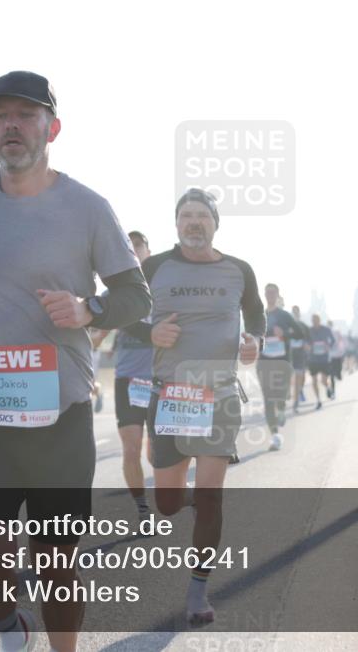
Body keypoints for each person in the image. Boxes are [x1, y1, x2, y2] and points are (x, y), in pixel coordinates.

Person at [0, 71, 151, 652]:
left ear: (52, 127)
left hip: (61, 413)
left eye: (24, 115)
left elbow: (135, 297)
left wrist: (88, 308)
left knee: (55, 563)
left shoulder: (88, 207)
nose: (10, 127)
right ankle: (10, 630)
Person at [129, 187, 265, 626]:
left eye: (201, 214)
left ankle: (197, 590)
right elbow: (123, 314)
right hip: (169, 395)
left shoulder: (239, 269)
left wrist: (254, 342)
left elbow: (256, 315)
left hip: (220, 395)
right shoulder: (154, 267)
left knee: (210, 496)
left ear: (215, 222)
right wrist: (148, 333)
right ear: (176, 224)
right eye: (186, 214)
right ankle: (187, 502)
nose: (193, 221)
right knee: (168, 503)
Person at [101, 231, 155, 525]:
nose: (133, 250)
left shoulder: (165, 287)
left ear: (148, 250)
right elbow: (94, 331)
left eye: (138, 245)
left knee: (157, 453)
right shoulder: (117, 291)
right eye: (128, 246)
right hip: (128, 379)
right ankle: (143, 508)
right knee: (131, 447)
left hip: (161, 380)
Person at [256, 284, 301, 450]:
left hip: (282, 363)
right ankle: (275, 436)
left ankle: (282, 409)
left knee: (280, 396)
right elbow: (251, 335)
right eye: (267, 293)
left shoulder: (284, 316)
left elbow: (299, 333)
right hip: (264, 363)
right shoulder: (259, 315)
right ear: (264, 295)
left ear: (277, 295)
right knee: (268, 399)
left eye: (273, 293)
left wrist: (284, 334)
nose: (270, 295)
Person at [306, 314, 334, 410]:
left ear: (319, 320)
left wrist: (328, 346)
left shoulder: (326, 330)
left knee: (323, 380)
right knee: (314, 381)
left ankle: (328, 388)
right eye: (313, 320)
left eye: (316, 320)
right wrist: (308, 346)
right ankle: (318, 400)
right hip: (313, 359)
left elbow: (333, 341)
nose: (314, 322)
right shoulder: (309, 331)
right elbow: (305, 342)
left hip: (323, 358)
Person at [288, 305, 311, 413]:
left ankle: (296, 399)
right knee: (290, 378)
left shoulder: (304, 326)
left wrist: (307, 346)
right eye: (293, 312)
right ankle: (295, 399)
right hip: (289, 355)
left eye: (297, 312)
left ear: (299, 314)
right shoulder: (287, 325)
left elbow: (310, 341)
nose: (295, 314)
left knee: (300, 377)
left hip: (301, 355)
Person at [327, 320, 345, 399]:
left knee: (334, 375)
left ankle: (331, 389)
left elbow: (341, 342)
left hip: (335, 356)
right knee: (331, 375)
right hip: (332, 356)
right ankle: (332, 391)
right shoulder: (326, 332)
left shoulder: (336, 331)